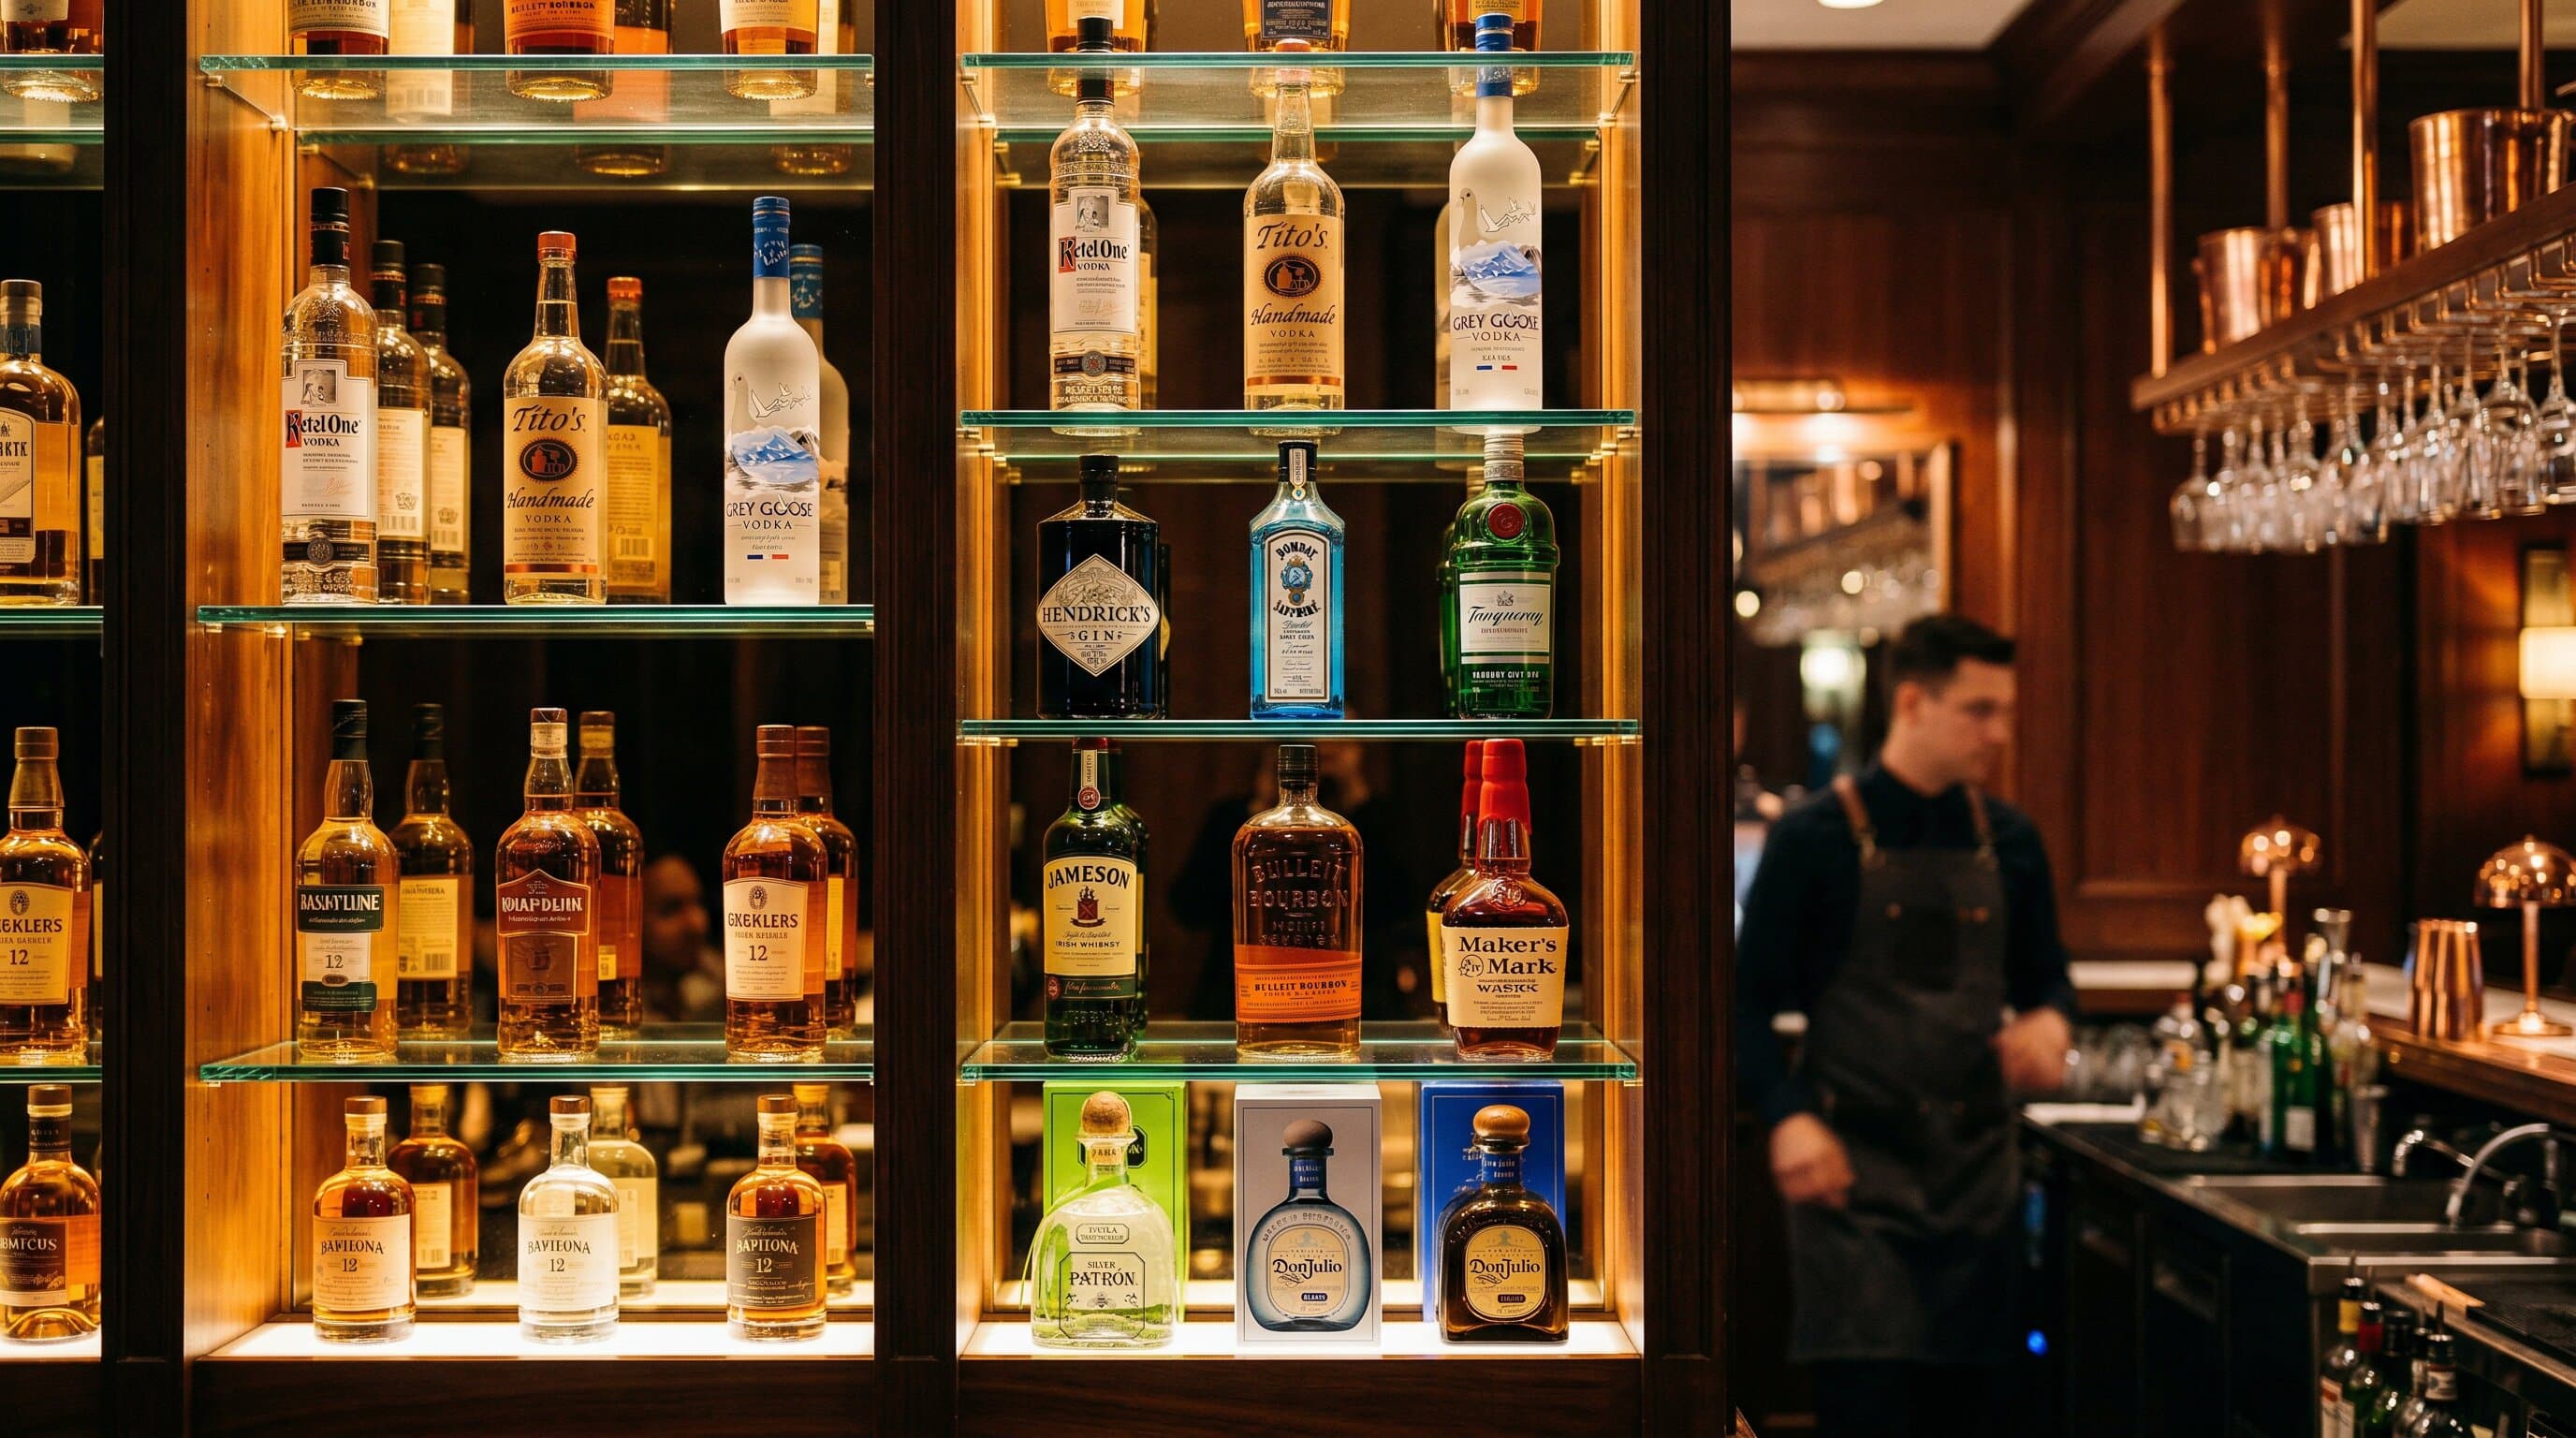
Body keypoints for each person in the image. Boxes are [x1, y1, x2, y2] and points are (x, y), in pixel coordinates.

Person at [1734, 613, 2076, 1438]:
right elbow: (1740, 1004)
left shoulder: (2013, 841)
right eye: (1980, 710)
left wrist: (2051, 1023)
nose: (1999, 731)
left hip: (1978, 1186)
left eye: (2005, 711)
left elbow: (2047, 979)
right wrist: (1787, 1117)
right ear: (1914, 702)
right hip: (1856, 1188)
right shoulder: (1814, 837)